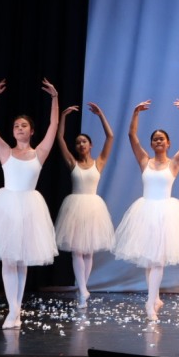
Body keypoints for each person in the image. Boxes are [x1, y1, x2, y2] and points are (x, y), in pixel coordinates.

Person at [0, 78, 59, 329]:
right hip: (6, 209)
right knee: (9, 259)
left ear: (32, 131)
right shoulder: (5, 152)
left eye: (24, 126)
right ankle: (13, 311)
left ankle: (16, 310)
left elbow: (54, 124)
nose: (19, 128)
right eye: (16, 125)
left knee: (21, 260)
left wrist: (54, 98)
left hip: (30, 209)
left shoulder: (39, 153)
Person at [112, 98, 179, 322]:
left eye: (162, 139)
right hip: (146, 214)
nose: (158, 141)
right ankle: (154, 298)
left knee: (157, 260)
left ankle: (150, 303)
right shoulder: (144, 161)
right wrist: (135, 113)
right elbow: (131, 136)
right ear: (152, 144)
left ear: (168, 143)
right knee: (150, 261)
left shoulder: (174, 163)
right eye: (155, 139)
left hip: (166, 214)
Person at [54, 102, 116, 309]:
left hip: (93, 208)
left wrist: (101, 115)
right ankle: (82, 290)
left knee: (88, 251)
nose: (81, 145)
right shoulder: (72, 163)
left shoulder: (99, 162)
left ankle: (83, 289)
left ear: (90, 146)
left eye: (84, 142)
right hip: (75, 208)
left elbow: (110, 137)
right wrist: (63, 117)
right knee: (77, 251)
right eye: (78, 142)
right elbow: (59, 138)